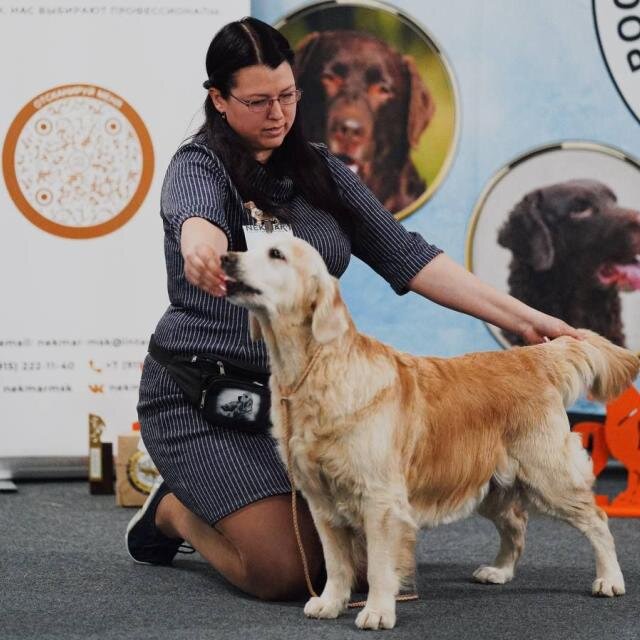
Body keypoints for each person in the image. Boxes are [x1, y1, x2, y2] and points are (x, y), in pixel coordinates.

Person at [125, 16, 581, 602]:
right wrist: (201, 249)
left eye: (288, 95)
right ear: (218, 98)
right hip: (203, 400)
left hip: (305, 403)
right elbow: (195, 221)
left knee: (369, 566)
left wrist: (523, 318)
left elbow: (409, 258)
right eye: (258, 101)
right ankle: (175, 511)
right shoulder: (199, 166)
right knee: (288, 573)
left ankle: (249, 508)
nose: (278, 114)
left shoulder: (322, 169)